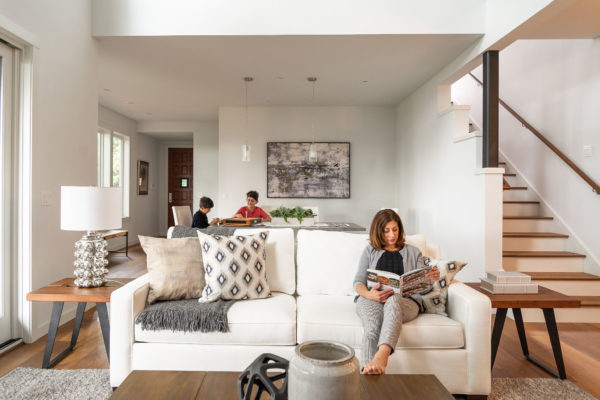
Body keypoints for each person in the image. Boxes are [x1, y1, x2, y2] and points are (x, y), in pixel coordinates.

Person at [353, 209, 440, 375]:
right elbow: (358, 282)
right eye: (386, 231)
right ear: (378, 232)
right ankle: (368, 373)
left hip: (405, 302)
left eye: (395, 229)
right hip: (372, 298)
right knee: (372, 325)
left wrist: (429, 279)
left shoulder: (414, 252)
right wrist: (369, 294)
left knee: (394, 300)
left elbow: (424, 289)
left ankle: (382, 356)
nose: (391, 235)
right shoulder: (369, 250)